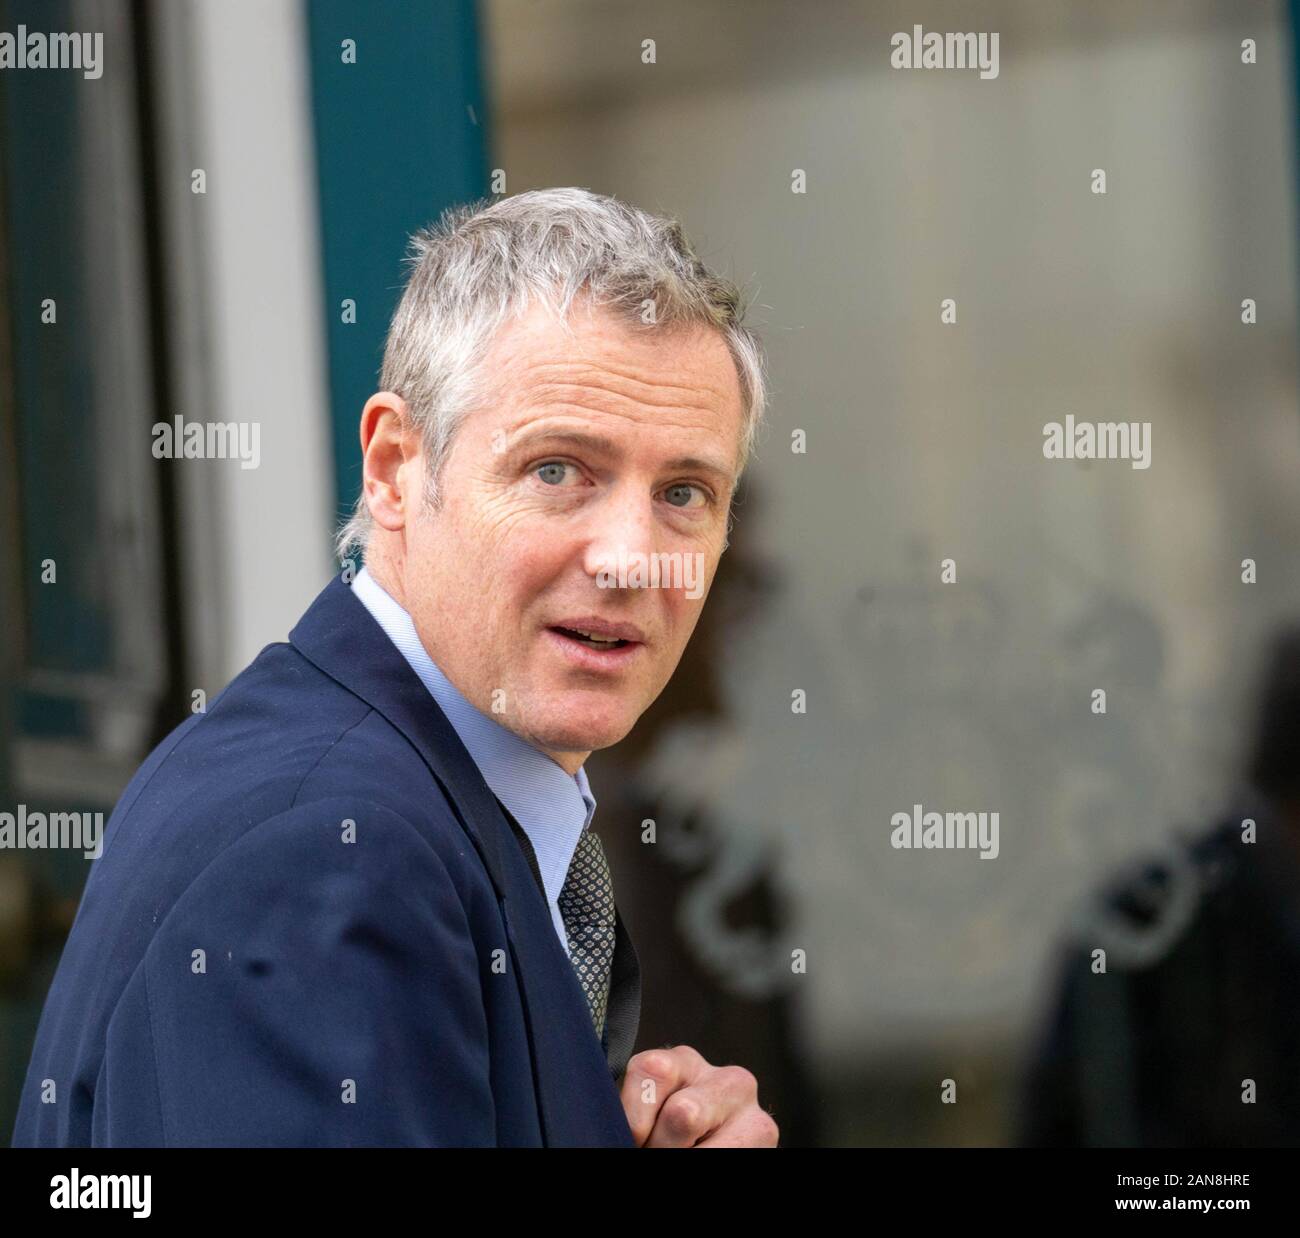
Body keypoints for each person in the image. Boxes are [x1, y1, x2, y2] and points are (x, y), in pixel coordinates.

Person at [12, 187, 779, 1148]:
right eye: (557, 470)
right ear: (393, 469)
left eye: (683, 491)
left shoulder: (404, 793)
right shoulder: (333, 848)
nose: (630, 556)